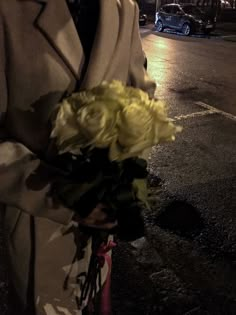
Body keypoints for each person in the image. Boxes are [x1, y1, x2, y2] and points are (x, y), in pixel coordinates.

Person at [0, 0, 156, 314]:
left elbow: (141, 97)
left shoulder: (123, 8)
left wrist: (123, 177)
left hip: (99, 230)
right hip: (35, 222)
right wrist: (64, 195)